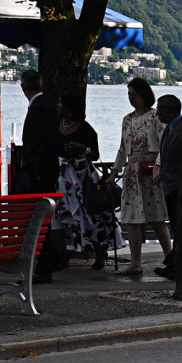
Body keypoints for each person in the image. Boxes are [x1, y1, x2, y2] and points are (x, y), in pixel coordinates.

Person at [109, 77, 172, 276]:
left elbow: (164, 144)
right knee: (132, 218)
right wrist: (115, 172)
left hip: (150, 170)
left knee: (157, 217)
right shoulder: (127, 119)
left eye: (134, 94)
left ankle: (170, 258)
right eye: (129, 94)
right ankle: (135, 262)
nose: (131, 98)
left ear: (144, 95)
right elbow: (122, 148)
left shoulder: (155, 117)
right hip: (133, 171)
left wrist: (159, 167)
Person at [54, 91, 123, 270]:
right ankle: (62, 255)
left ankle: (99, 251)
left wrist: (82, 148)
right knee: (61, 217)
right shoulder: (57, 125)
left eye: (61, 102)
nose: (58, 105)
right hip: (62, 176)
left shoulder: (84, 128)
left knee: (90, 214)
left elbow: (95, 154)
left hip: (82, 177)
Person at [18, 69, 67, 283]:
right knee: (39, 217)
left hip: (38, 173)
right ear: (41, 84)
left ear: (23, 88)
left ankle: (49, 261)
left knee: (37, 218)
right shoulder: (44, 107)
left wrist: (37, 171)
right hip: (42, 171)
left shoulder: (38, 109)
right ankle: (52, 259)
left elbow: (45, 144)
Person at [152, 94, 182, 279]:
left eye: (159, 109)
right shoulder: (170, 129)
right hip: (170, 186)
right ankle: (174, 264)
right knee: (177, 228)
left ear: (168, 110)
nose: (157, 113)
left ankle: (174, 266)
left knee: (180, 229)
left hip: (178, 188)